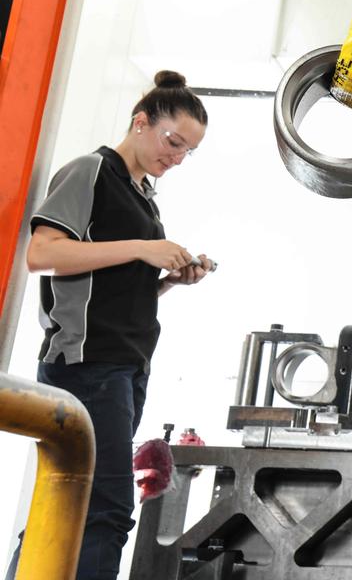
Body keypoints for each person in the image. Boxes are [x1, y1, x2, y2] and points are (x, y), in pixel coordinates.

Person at [7, 71, 214, 580]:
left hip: (122, 366)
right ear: (140, 122)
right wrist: (145, 248)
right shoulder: (91, 172)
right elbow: (43, 254)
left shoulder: (143, 195)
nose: (178, 157)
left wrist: (167, 282)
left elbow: (109, 286)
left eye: (188, 151)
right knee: (106, 510)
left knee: (69, 503)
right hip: (87, 362)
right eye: (173, 142)